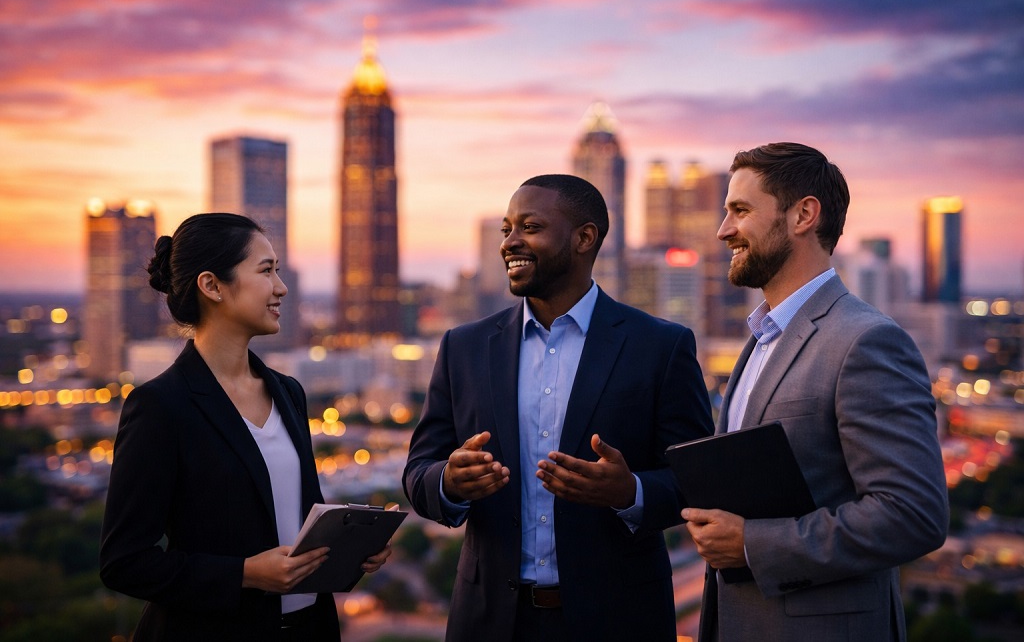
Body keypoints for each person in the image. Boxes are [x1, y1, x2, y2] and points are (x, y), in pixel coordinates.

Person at [403, 174, 714, 642]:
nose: (510, 243)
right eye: (507, 229)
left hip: (619, 621)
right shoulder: (463, 347)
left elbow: (696, 482)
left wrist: (628, 490)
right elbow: (417, 472)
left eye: (529, 227)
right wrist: (448, 481)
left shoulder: (661, 347)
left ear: (584, 238)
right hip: (489, 622)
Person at [682, 143, 948, 641]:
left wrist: (752, 545)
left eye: (740, 210)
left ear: (804, 214)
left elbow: (913, 515)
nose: (723, 230)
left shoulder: (866, 340)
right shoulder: (760, 341)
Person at [100, 213, 391, 641]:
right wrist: (245, 574)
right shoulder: (161, 406)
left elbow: (298, 519)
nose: (281, 287)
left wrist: (350, 547)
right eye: (266, 270)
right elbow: (124, 562)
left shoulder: (288, 392)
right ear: (212, 285)